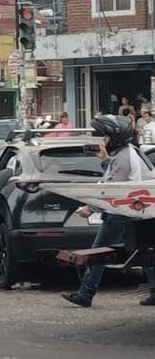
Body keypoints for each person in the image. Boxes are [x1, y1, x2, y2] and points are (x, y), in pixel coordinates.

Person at [62, 115, 144, 307]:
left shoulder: (123, 158)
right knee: (143, 252)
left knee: (97, 254)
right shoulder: (124, 154)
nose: (102, 141)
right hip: (126, 211)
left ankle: (85, 294)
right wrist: (106, 159)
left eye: (105, 136)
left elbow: (112, 190)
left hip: (119, 213)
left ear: (115, 137)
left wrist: (90, 208)